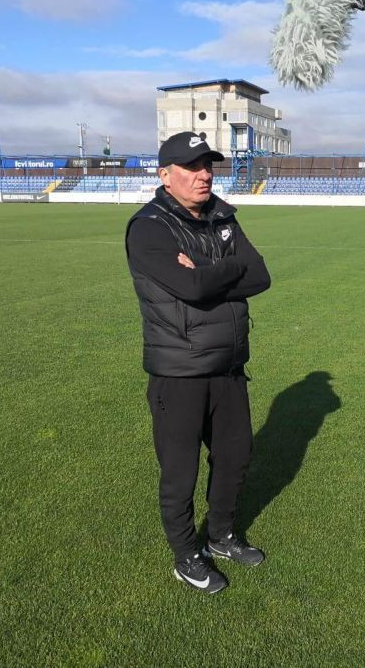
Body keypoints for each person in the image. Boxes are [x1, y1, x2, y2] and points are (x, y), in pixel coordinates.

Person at [125, 131, 271, 594]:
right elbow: (188, 289)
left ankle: (222, 534)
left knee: (234, 456)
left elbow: (261, 275)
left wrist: (207, 273)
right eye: (192, 166)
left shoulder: (223, 214)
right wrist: (228, 269)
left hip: (228, 364)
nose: (204, 174)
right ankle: (187, 554)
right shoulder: (149, 227)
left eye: (208, 165)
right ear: (165, 174)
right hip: (180, 370)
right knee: (180, 470)